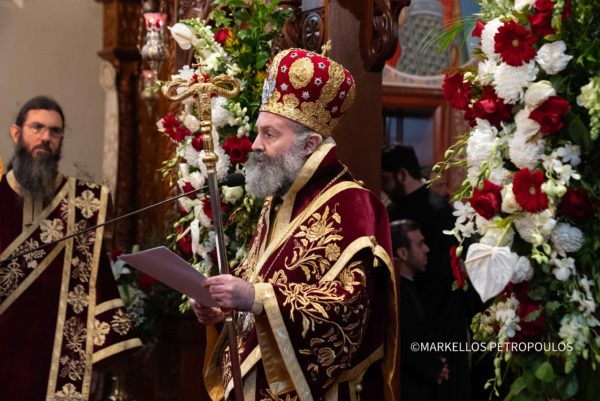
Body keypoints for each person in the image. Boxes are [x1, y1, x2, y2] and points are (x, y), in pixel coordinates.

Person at [190, 48, 399, 401]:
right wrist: (222, 305)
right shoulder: (279, 198)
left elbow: (348, 312)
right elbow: (259, 277)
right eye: (258, 132)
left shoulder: (353, 205)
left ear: (309, 144)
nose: (255, 145)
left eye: (270, 134)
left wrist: (254, 297)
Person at [0, 96, 142, 400]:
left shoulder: (83, 202)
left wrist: (97, 355)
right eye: (37, 128)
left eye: (55, 131)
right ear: (16, 132)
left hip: (58, 356)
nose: (45, 137)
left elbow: (99, 282)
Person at [381, 144, 471, 401]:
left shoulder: (437, 210)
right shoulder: (399, 209)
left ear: (401, 175)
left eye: (386, 179)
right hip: (416, 318)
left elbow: (444, 273)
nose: (384, 188)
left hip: (437, 316)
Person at [391, 219, 449, 401]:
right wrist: (434, 367)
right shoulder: (398, 293)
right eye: (420, 244)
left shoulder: (408, 287)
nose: (427, 249)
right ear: (402, 253)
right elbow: (409, 341)